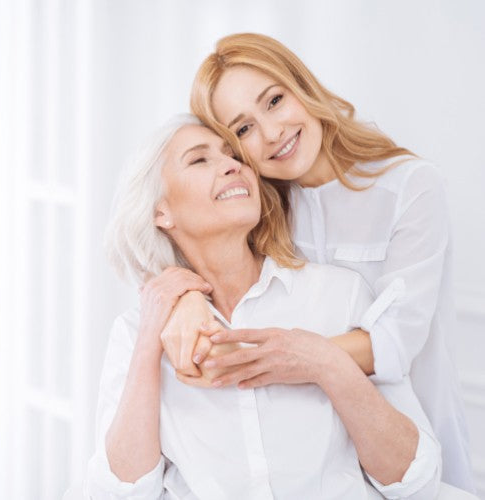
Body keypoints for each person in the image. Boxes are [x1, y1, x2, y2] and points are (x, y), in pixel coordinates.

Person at [159, 32, 474, 493]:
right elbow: (189, 244)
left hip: (411, 438)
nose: (271, 133)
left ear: (300, 85)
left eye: (274, 101)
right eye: (243, 129)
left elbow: (393, 344)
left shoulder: (410, 188)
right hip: (320, 450)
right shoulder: (262, 212)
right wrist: (185, 294)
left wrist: (281, 357)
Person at [85, 115, 442, 499]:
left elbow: (416, 481)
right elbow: (117, 493)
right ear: (161, 212)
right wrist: (149, 337)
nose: (232, 165)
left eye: (232, 155)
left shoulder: (339, 295)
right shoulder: (137, 330)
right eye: (199, 160)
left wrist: (324, 363)